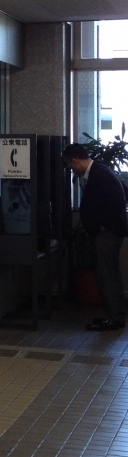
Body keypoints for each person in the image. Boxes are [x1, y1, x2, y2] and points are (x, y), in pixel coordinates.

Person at [64, 142, 128, 331]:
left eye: (70, 165)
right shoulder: (101, 170)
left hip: (108, 233)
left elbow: (118, 200)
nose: (71, 169)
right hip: (111, 231)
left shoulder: (99, 174)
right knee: (111, 273)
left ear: (75, 160)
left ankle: (112, 318)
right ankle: (115, 315)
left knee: (106, 274)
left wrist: (103, 225)